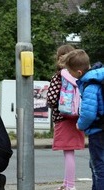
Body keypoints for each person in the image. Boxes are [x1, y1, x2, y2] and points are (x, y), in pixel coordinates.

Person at [63, 49, 104, 190]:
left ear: (79, 73)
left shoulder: (90, 85)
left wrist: (80, 125)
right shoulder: (99, 77)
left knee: (98, 167)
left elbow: (89, 114)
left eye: (70, 72)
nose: (70, 75)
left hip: (98, 131)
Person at [47, 45, 85, 190]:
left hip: (63, 118)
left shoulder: (59, 76)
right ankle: (66, 183)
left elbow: (51, 98)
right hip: (75, 118)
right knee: (70, 151)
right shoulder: (78, 77)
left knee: (68, 153)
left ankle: (70, 186)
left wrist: (50, 102)